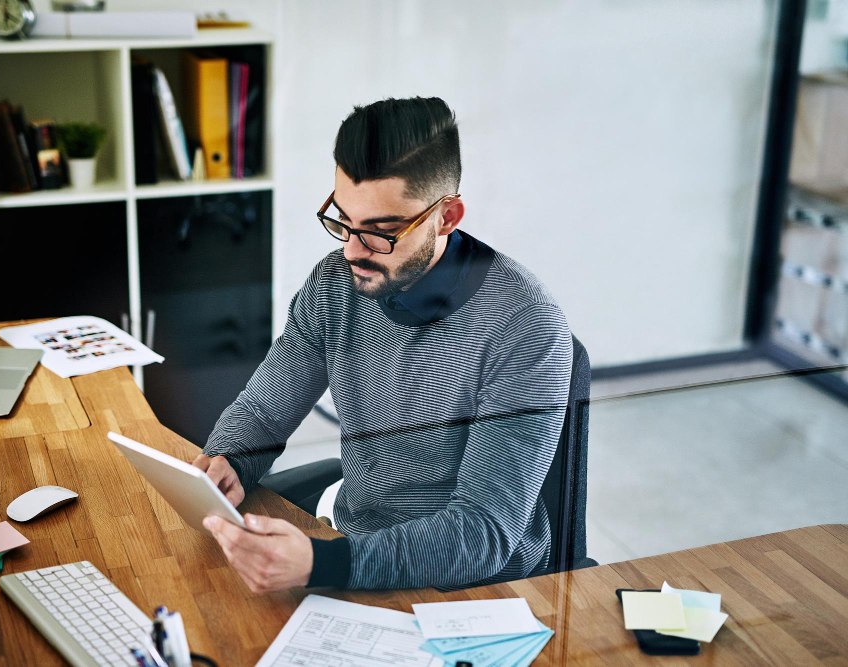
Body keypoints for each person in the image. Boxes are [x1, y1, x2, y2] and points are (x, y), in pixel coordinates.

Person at [192, 96, 572, 593]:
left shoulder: (525, 326)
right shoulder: (335, 283)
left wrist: (323, 563)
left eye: (381, 232)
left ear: (448, 216)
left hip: (472, 586)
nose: (351, 250)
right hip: (353, 543)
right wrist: (231, 458)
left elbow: (482, 533)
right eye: (343, 220)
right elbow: (266, 410)